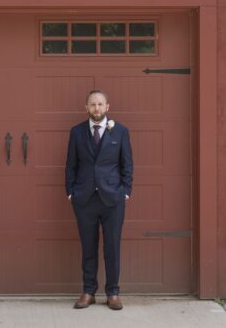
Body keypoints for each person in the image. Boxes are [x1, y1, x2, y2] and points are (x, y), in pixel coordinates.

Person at [65, 91, 133, 310]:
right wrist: (70, 192)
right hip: (84, 199)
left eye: (100, 104)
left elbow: (127, 164)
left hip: (113, 199)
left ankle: (113, 292)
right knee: (88, 247)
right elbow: (70, 165)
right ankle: (88, 291)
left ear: (107, 107)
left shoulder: (120, 131)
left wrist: (125, 192)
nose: (96, 108)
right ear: (86, 107)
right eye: (92, 105)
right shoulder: (76, 132)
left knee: (112, 247)